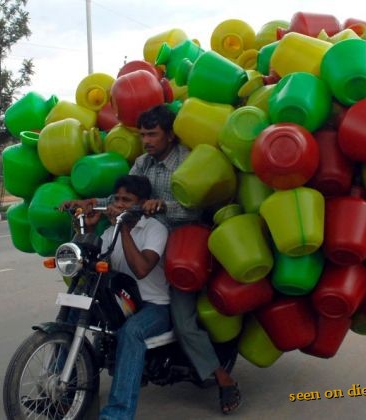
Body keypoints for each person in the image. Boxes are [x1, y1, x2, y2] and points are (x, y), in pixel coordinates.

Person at [62, 104, 241, 414]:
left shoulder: (188, 160)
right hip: (143, 237)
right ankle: (65, 385)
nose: (146, 141)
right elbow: (126, 196)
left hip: (182, 247)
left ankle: (224, 380)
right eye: (142, 134)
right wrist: (92, 204)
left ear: (170, 135)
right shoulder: (143, 163)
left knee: (183, 322)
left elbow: (195, 207)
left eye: (152, 134)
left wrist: (161, 208)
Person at [89, 175, 171, 420]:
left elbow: (141, 269)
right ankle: (64, 393)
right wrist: (90, 229)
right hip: (123, 302)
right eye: (117, 199)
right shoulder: (110, 231)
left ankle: (117, 414)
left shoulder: (156, 229)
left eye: (128, 200)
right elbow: (93, 265)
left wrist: (123, 228)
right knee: (76, 312)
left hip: (155, 306)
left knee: (131, 332)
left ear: (141, 203)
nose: (120, 204)